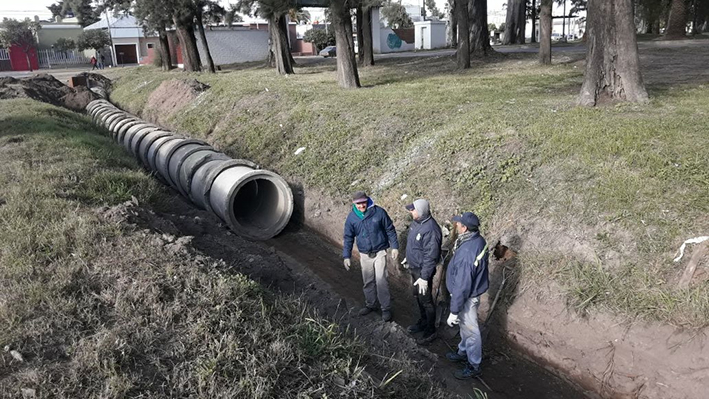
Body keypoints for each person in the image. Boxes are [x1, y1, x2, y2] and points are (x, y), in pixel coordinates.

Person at [445, 212, 489, 379]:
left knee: (471, 330)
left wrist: (454, 310)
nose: (456, 225)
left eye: (458, 224)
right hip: (471, 292)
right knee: (465, 326)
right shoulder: (477, 240)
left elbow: (463, 285)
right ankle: (463, 351)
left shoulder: (467, 253)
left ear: (464, 228)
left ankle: (474, 364)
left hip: (467, 296)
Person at [343, 191, 399, 322]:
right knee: (368, 281)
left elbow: (390, 229)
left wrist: (395, 246)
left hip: (380, 252)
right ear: (354, 204)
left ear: (367, 200)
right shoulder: (352, 218)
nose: (361, 206)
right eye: (358, 204)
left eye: (363, 202)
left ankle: (385, 308)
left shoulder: (378, 212)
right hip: (364, 254)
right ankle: (371, 304)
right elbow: (348, 237)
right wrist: (346, 255)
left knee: (381, 281)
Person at [403, 199, 442, 345]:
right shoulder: (417, 223)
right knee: (418, 297)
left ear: (421, 211)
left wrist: (425, 277)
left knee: (426, 301)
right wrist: (408, 258)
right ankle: (423, 321)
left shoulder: (431, 229)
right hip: (414, 268)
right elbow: (415, 245)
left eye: (413, 210)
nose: (410, 212)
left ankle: (430, 330)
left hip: (423, 271)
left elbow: (430, 256)